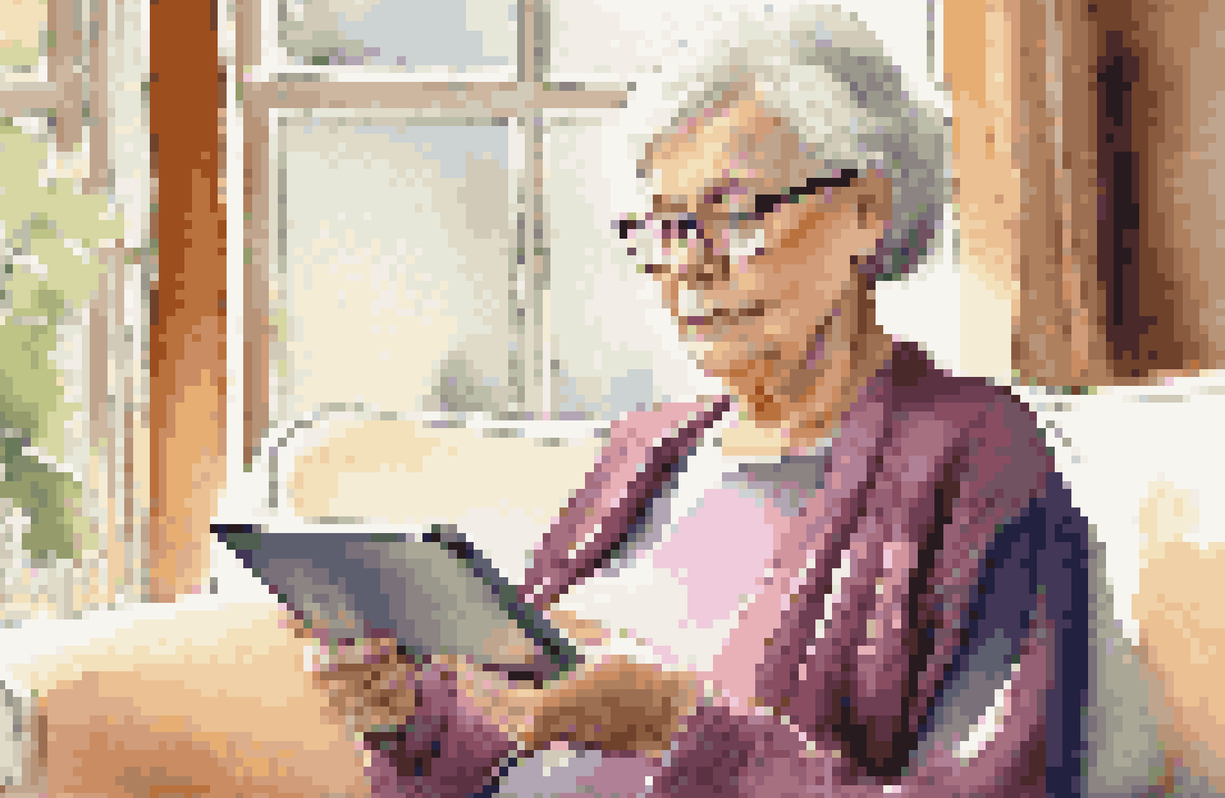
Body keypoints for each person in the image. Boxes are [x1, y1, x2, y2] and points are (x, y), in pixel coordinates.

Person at [313, 4, 1159, 796]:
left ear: (870, 208)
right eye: (665, 226)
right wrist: (412, 724)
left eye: (736, 212)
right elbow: (508, 748)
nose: (689, 266)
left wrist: (680, 729)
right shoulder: (646, 451)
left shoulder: (978, 454)